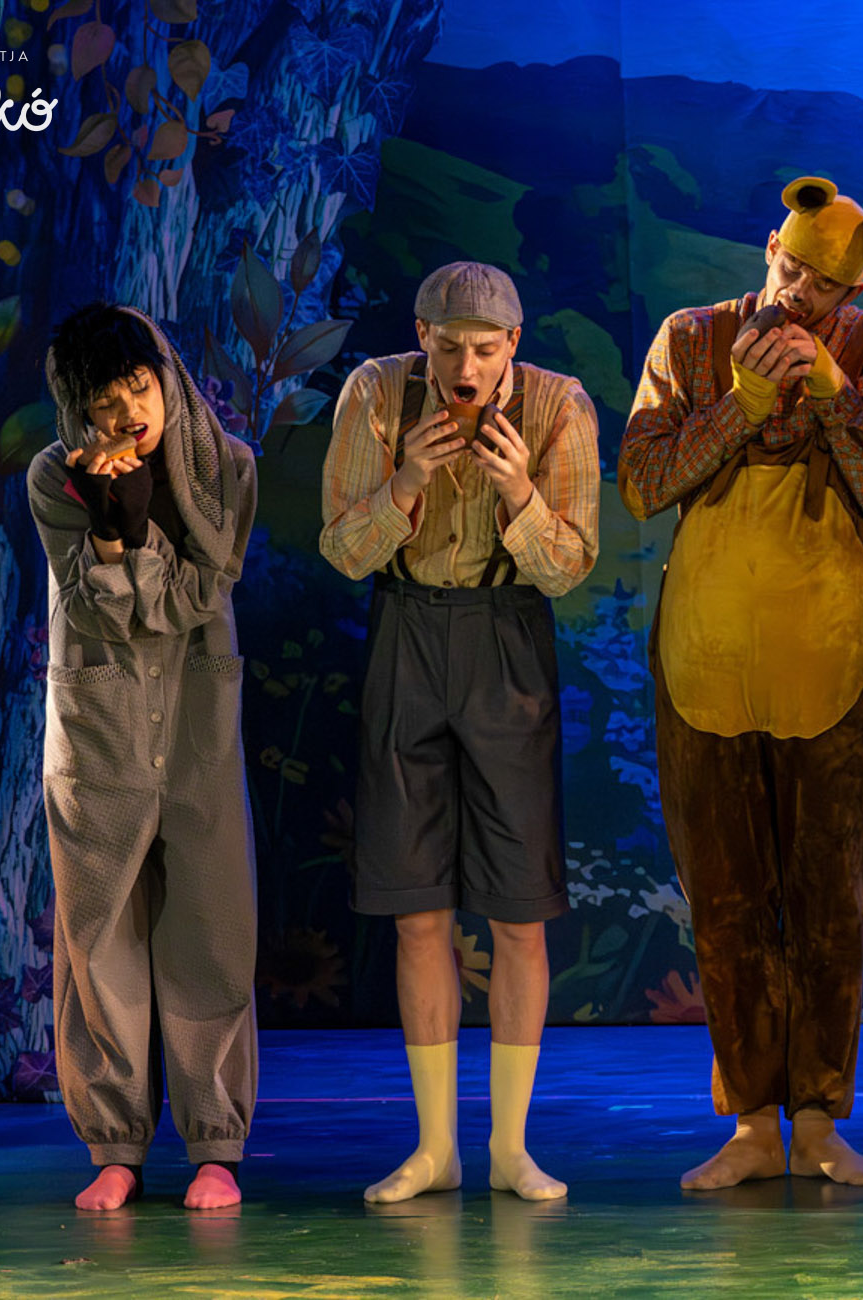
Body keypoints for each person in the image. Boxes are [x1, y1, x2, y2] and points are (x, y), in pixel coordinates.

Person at [619, 176, 863, 1190]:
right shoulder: (690, 338)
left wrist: (833, 396)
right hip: (706, 654)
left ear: (855, 290)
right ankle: (752, 1124)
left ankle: (821, 1120)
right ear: (768, 245)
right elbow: (642, 483)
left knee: (832, 894)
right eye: (793, 269)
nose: (802, 295)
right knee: (724, 893)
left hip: (835, 658)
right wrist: (739, 407)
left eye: (826, 287)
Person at [320, 262, 600, 1203]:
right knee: (418, 912)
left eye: (484, 350)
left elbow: (568, 568)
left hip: (505, 637)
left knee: (518, 914)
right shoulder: (376, 393)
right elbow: (343, 549)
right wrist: (406, 479)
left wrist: (520, 493)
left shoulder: (559, 406)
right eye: (448, 349)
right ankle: (435, 1148)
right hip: (407, 632)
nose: (465, 368)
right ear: (422, 336)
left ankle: (511, 1148)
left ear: (514, 343)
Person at [29, 302, 260, 1211]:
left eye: (138, 387)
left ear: (164, 376)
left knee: (212, 926)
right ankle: (115, 1144)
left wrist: (139, 529)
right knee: (100, 941)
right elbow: (96, 607)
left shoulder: (226, 469)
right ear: (76, 409)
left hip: (196, 719)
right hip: (101, 729)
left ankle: (216, 1143)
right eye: (104, 401)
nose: (128, 414)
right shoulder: (56, 477)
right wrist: (106, 525)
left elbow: (195, 597)